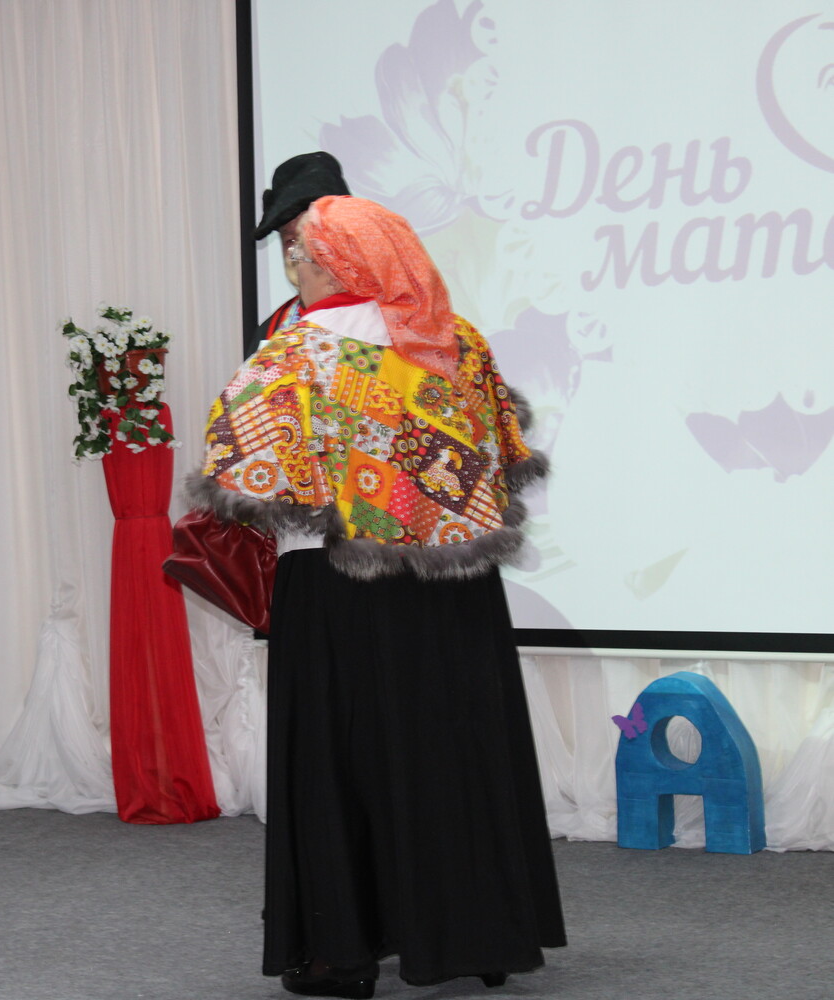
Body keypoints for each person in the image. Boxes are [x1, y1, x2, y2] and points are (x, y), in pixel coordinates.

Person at [188, 195, 565, 996]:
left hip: (338, 584)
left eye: (303, 253)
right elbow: (501, 452)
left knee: (338, 761)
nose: (296, 266)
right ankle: (481, 937)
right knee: (457, 749)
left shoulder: (295, 353)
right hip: (455, 585)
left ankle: (343, 953)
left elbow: (238, 467)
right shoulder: (457, 341)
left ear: (337, 263)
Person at [247, 151, 353, 356]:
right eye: (290, 241)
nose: (298, 253)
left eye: (310, 239)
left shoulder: (382, 321)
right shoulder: (270, 331)